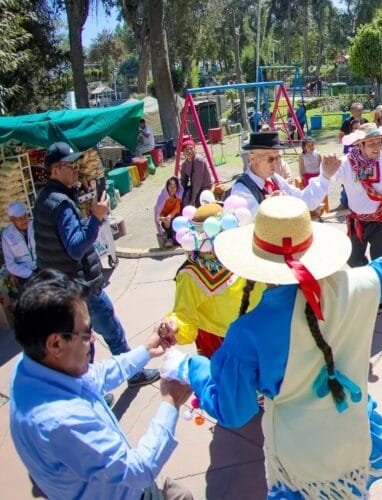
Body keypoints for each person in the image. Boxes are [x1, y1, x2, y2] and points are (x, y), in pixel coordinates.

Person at [176, 194, 382, 498]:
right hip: (354, 439)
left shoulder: (248, 332)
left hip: (301, 468)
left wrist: (189, 368)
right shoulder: (355, 286)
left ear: (255, 262)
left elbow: (234, 411)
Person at [10, 271, 191, 499]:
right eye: (86, 333)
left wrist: (145, 351)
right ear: (55, 344)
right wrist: (171, 402)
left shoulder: (33, 364)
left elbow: (95, 376)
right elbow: (138, 471)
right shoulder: (62, 420)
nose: (94, 339)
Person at [34, 142, 159, 387]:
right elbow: (75, 248)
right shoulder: (60, 203)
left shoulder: (45, 200)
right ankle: (132, 374)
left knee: (83, 341)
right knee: (111, 331)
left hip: (64, 288)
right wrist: (96, 218)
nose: (76, 169)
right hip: (81, 287)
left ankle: (89, 389)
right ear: (56, 169)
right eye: (71, 165)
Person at [166, 203, 262, 357]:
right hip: (222, 342)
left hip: (258, 330)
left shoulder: (243, 255)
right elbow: (183, 314)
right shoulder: (191, 273)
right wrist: (173, 326)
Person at [335, 122, 382, 311]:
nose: (377, 147)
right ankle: (368, 282)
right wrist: (326, 170)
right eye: (371, 143)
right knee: (353, 258)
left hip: (380, 219)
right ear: (360, 145)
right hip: (357, 220)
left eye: (378, 142)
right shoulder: (346, 163)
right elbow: (331, 176)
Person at [229, 132, 339, 215]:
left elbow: (304, 200)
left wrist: (325, 176)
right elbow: (247, 224)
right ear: (252, 158)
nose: (275, 163)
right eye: (270, 159)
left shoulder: (275, 179)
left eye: (277, 157)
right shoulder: (241, 189)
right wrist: (270, 205)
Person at [3, 201, 35, 289]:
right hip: (24, 274)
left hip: (41, 267)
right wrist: (30, 274)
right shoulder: (6, 235)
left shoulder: (34, 225)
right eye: (19, 218)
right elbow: (10, 265)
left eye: (25, 216)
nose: (24, 220)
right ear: (12, 220)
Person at [178, 139, 213, 209]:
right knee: (184, 200)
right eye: (186, 150)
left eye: (191, 148)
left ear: (195, 149)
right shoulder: (184, 164)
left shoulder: (198, 160)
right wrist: (179, 194)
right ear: (183, 152)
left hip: (205, 187)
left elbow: (198, 181)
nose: (189, 151)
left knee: (198, 203)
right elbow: (183, 181)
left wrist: (193, 199)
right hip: (195, 188)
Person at [155, 177, 183, 246]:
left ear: (177, 188)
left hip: (175, 217)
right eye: (170, 187)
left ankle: (178, 239)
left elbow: (177, 209)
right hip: (166, 220)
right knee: (167, 223)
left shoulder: (177, 196)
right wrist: (163, 218)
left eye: (174, 187)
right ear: (167, 187)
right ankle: (170, 239)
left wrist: (169, 216)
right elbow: (158, 214)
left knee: (175, 221)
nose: (172, 189)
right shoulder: (162, 198)